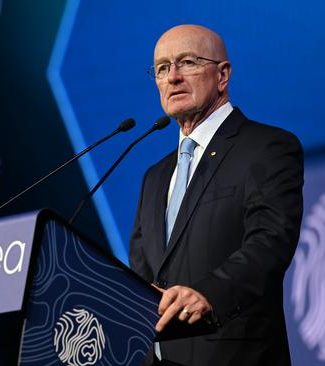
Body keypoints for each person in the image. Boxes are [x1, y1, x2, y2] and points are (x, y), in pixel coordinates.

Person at [129, 24, 304, 365]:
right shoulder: (155, 177)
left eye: (188, 63)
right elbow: (142, 277)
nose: (173, 77)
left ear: (222, 75)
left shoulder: (267, 147)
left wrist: (209, 292)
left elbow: (269, 242)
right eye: (163, 68)